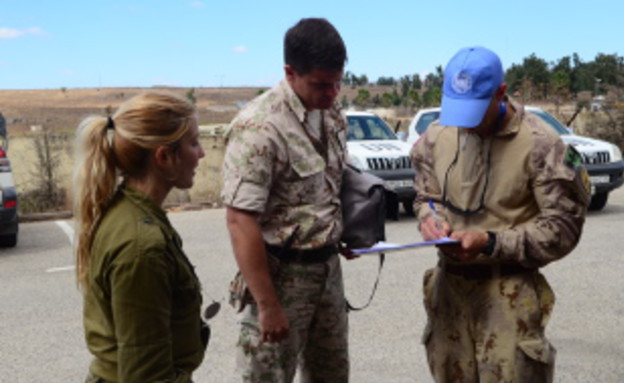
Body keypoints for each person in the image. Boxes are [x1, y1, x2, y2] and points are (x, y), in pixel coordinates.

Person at [411, 46, 590, 383]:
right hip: (448, 293)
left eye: (476, 111)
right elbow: (426, 196)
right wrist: (429, 219)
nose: (466, 123)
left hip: (508, 292)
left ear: (501, 93)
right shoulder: (436, 136)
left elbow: (563, 228)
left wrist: (491, 242)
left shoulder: (541, 145)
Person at [222, 18, 349, 383]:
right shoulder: (260, 127)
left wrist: (348, 231)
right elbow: (239, 219)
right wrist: (267, 305)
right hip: (281, 277)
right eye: (322, 84)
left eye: (338, 82)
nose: (332, 93)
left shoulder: (332, 114)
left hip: (327, 271)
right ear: (290, 72)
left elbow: (330, 186)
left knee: (331, 375)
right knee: (266, 377)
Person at [73, 92, 207, 383]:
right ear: (163, 157)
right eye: (194, 143)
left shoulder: (129, 211)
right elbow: (147, 376)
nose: (202, 153)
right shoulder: (142, 247)